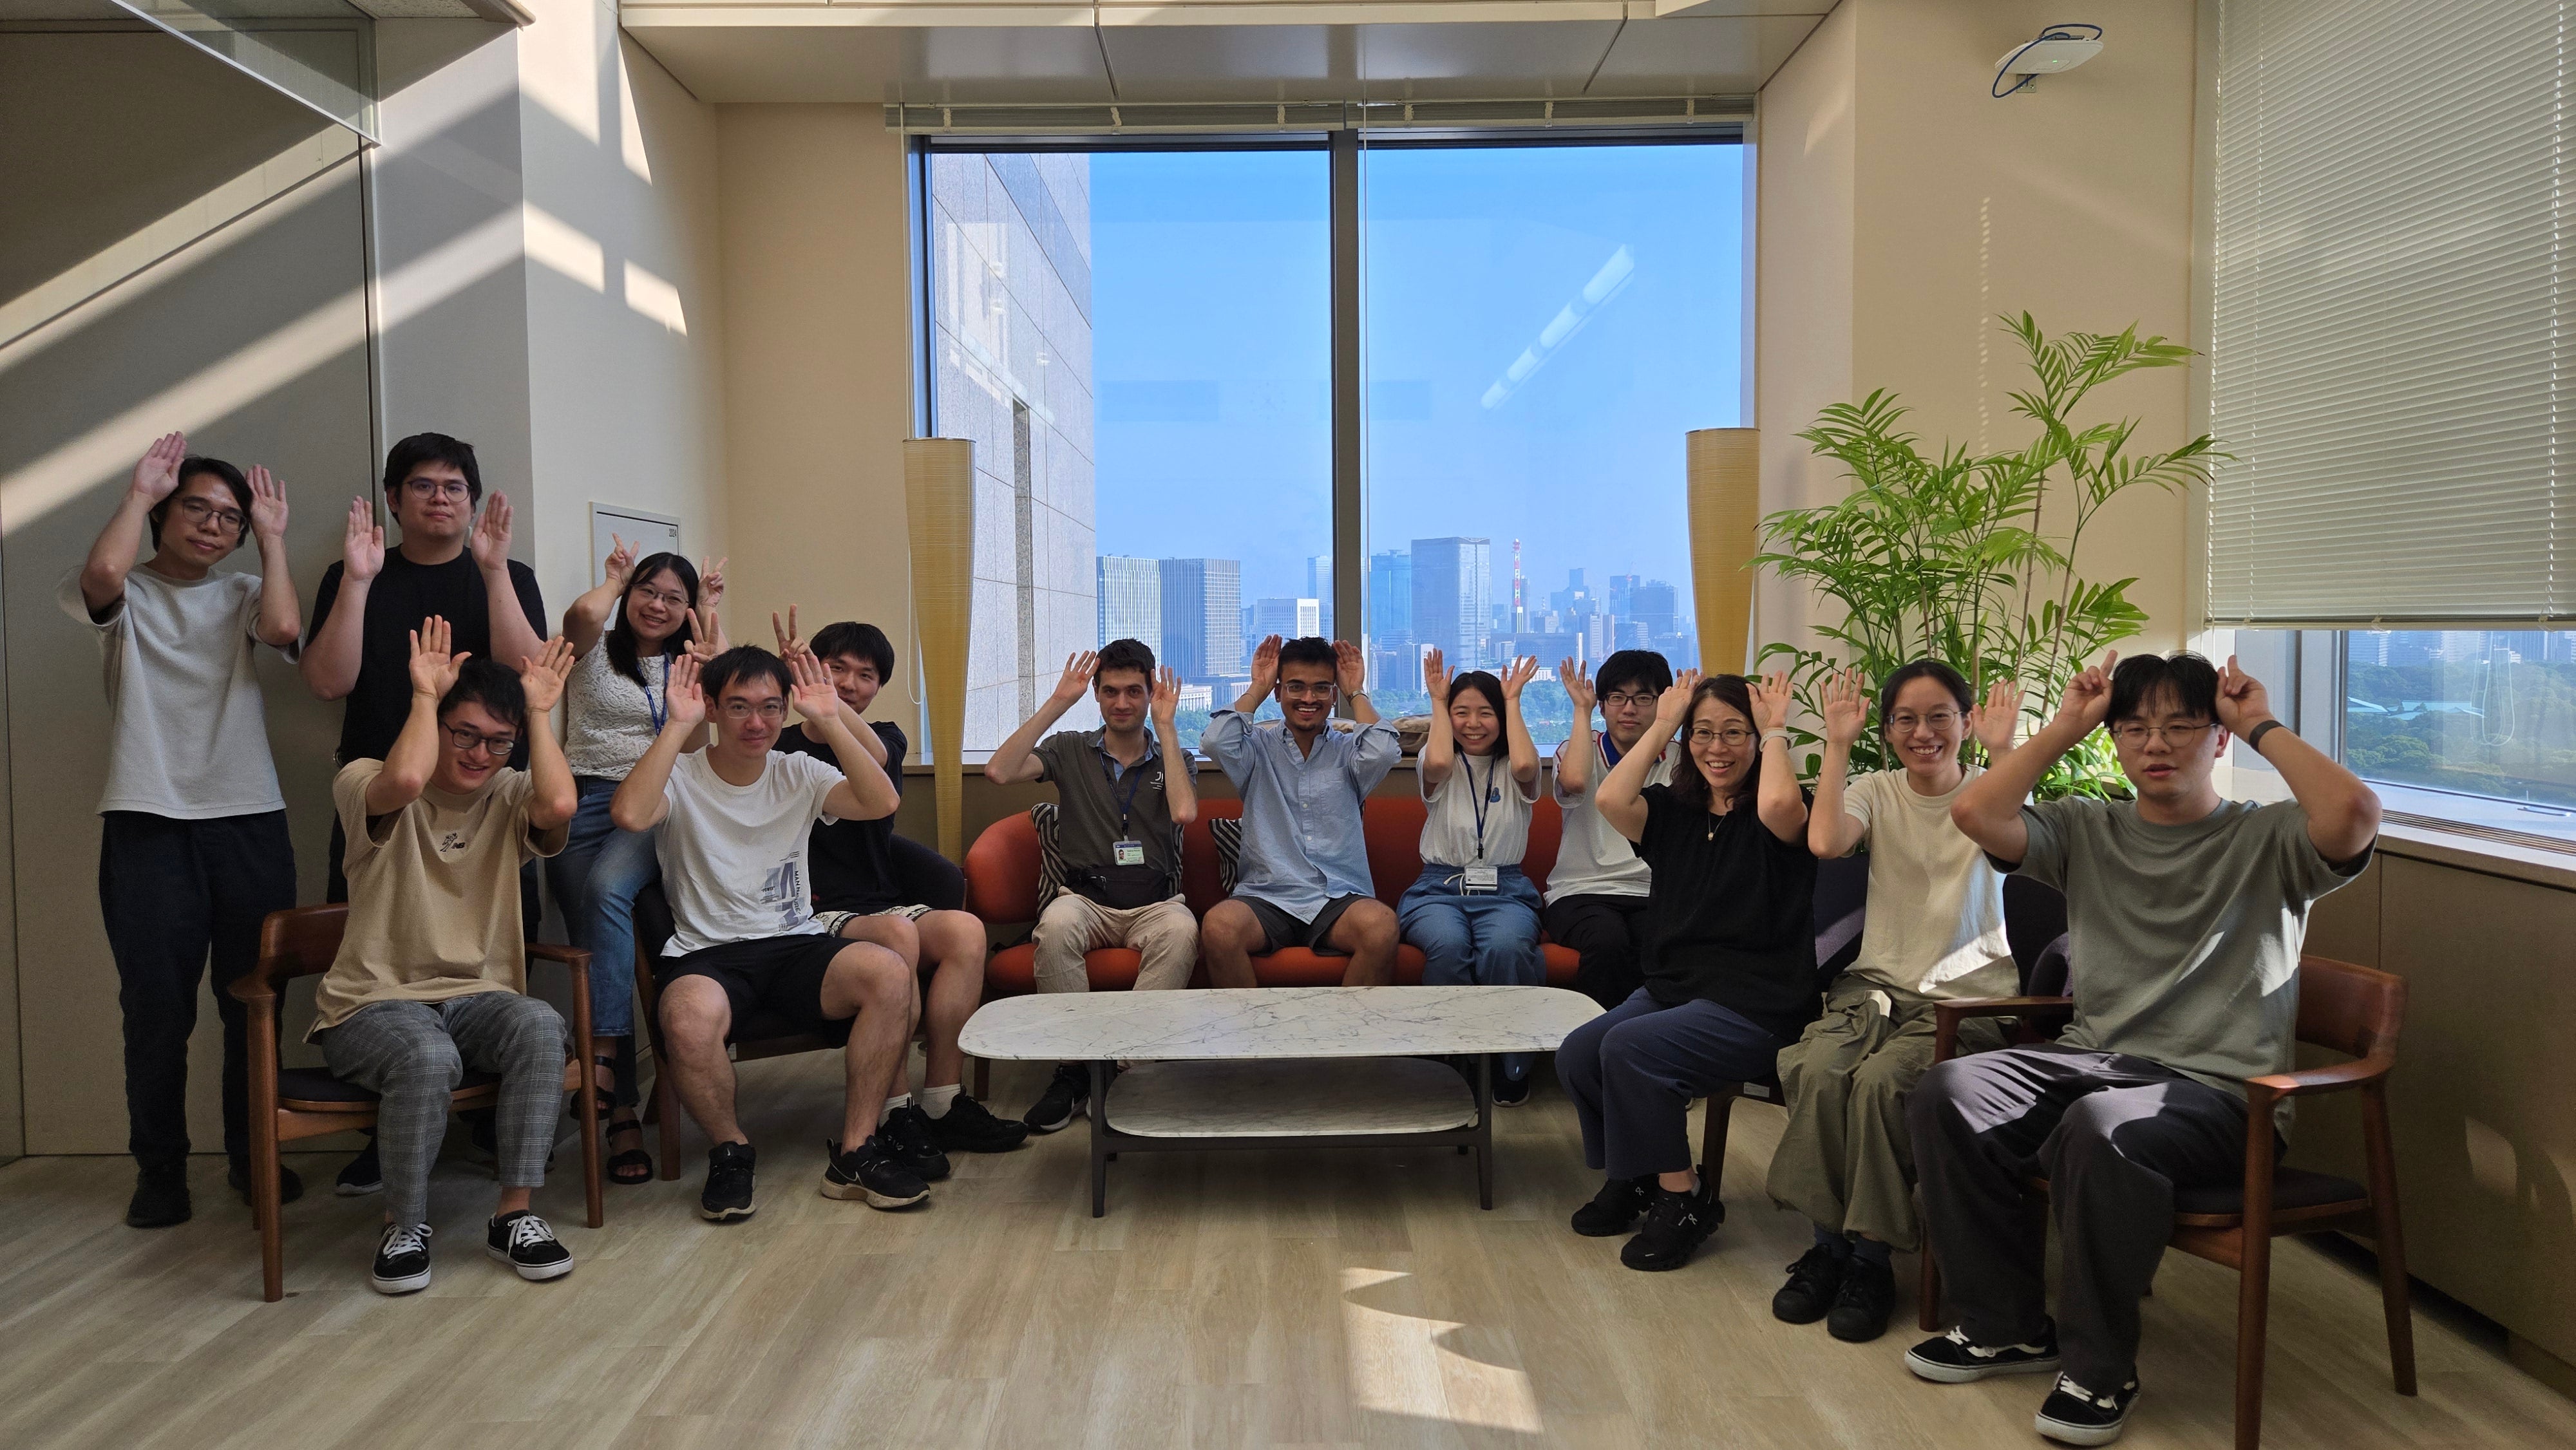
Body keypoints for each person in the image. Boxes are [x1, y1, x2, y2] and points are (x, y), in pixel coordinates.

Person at [1906, 652, 2378, 1447]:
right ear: (2116, 741)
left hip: (2221, 1091)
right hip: (2096, 1057)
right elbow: (1976, 812)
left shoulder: (2269, 839)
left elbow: (2355, 813)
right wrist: (2070, 722)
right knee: (1946, 1090)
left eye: (2181, 726)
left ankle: (2098, 1368)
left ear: (2218, 739)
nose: (2156, 744)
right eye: (2135, 728)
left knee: (2101, 1126)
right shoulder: (2089, 827)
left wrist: (2257, 721)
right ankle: (2005, 1325)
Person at [68, 434, 303, 1228]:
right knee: (157, 1007)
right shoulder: (123, 593)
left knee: (255, 1001)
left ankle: (252, 1157)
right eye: (196, 508)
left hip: (247, 819)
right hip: (147, 818)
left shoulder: (241, 590)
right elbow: (100, 574)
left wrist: (272, 538)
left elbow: (280, 629)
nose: (211, 525)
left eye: (228, 517)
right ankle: (160, 1168)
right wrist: (136, 492)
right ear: (165, 513)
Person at [303, 433, 546, 1198]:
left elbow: (532, 671)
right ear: (393, 498)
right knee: (380, 956)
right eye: (422, 486)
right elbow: (325, 681)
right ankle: (391, 1134)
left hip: (484, 798)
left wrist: (495, 569)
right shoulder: (355, 574)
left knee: (494, 948)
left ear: (472, 501)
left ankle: (485, 1128)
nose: (439, 498)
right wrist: (357, 584)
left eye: (453, 486)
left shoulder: (504, 573)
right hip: (381, 793)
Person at [610, 644, 926, 1221]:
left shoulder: (798, 770)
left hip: (794, 944)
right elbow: (630, 815)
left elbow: (881, 801)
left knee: (888, 970)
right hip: (708, 954)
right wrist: (675, 728)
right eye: (738, 707)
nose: (757, 723)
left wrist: (829, 717)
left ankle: (856, 1150)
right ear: (710, 708)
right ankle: (731, 1149)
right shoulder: (679, 775)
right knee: (683, 1015)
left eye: (771, 708)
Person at [309, 620, 579, 1295]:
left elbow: (560, 802)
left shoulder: (510, 795)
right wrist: (425, 698)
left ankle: (514, 1214)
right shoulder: (363, 778)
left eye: (497, 740)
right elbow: (404, 778)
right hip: (370, 1003)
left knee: (541, 1024)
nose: (479, 753)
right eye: (465, 733)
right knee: (427, 1056)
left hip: (476, 995)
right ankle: (406, 1223)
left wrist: (539, 712)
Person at [1765, 662, 2022, 1344]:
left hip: (1967, 1002)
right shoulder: (1875, 790)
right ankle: (1828, 1247)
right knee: (1818, 1069)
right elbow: (1824, 841)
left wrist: (2003, 752)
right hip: (1875, 988)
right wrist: (1840, 744)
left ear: (1967, 722)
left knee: (1882, 1085)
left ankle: (1872, 1260)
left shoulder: (1987, 798)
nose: (1923, 731)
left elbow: (2022, 840)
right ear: (1887, 730)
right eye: (1905, 718)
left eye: (1941, 715)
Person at [1558, 670, 1817, 1273]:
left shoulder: (1779, 813)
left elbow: (1780, 801)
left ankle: (1686, 1198)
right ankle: (1638, 1175)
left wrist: (1778, 727)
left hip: (1757, 1003)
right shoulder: (1675, 810)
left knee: (1628, 1047)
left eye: (1734, 733)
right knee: (1578, 1053)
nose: (1717, 748)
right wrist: (1668, 722)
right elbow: (1608, 799)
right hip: (1677, 990)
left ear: (1757, 741)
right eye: (1704, 734)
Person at [772, 612, 1028, 1172]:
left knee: (965, 929)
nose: (848, 683)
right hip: (815, 912)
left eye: (865, 675)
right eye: (835, 668)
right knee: (896, 933)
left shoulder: (884, 736)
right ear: (810, 669)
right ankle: (895, 1109)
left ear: (879, 688)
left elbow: (880, 765)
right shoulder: (779, 747)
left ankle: (942, 1100)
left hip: (880, 899)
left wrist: (827, 703)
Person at [549, 538, 724, 1185]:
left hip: (652, 803)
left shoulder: (691, 664)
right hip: (581, 800)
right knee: (592, 945)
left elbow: (717, 726)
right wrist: (615, 579)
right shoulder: (595, 648)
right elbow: (581, 618)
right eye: (649, 591)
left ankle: (598, 1055)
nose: (659, 604)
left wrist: (708, 612)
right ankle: (621, 1111)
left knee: (605, 890)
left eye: (674, 599)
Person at [985, 640, 1200, 1132]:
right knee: (1056, 926)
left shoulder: (1175, 754)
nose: (1121, 703)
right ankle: (1076, 1069)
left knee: (1183, 930)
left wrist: (1165, 729)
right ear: (1097, 697)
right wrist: (1057, 702)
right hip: (1087, 899)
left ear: (1151, 695)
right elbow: (998, 772)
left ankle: (1131, 1067)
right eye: (1110, 692)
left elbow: (1185, 812)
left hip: (1156, 902)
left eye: (1133, 692)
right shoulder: (1069, 750)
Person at [1198, 635, 1403, 988]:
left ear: (1333, 695)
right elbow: (1216, 741)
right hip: (1268, 895)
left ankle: (1347, 1041)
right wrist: (1258, 687)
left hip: (1338, 898)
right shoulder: (1256, 750)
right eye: (1296, 687)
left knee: (1382, 926)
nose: (1309, 698)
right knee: (1219, 927)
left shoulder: (1349, 752)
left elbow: (1384, 752)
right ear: (1279, 693)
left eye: (1321, 688)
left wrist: (1356, 692)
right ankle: (1257, 1040)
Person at [1399, 649, 1546, 1103]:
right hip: (1437, 890)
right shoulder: (1435, 759)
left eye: (1485, 713)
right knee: (1447, 946)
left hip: (1507, 891)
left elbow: (1524, 767)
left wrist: (1514, 699)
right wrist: (1438, 701)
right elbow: (1440, 763)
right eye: (1462, 712)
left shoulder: (1517, 763)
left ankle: (1511, 1064)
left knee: (1506, 947)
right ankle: (1451, 1061)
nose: (1473, 723)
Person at [1546, 650, 1679, 1010]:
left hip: (1653, 892)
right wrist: (1580, 710)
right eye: (1617, 698)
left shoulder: (1682, 762)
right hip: (1581, 890)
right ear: (1603, 706)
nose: (1629, 709)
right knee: (1607, 942)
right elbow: (1573, 782)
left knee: (1663, 942)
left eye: (1643, 698)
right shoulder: (1579, 750)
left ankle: (1649, 1044)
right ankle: (1592, 1048)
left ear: (1662, 703)